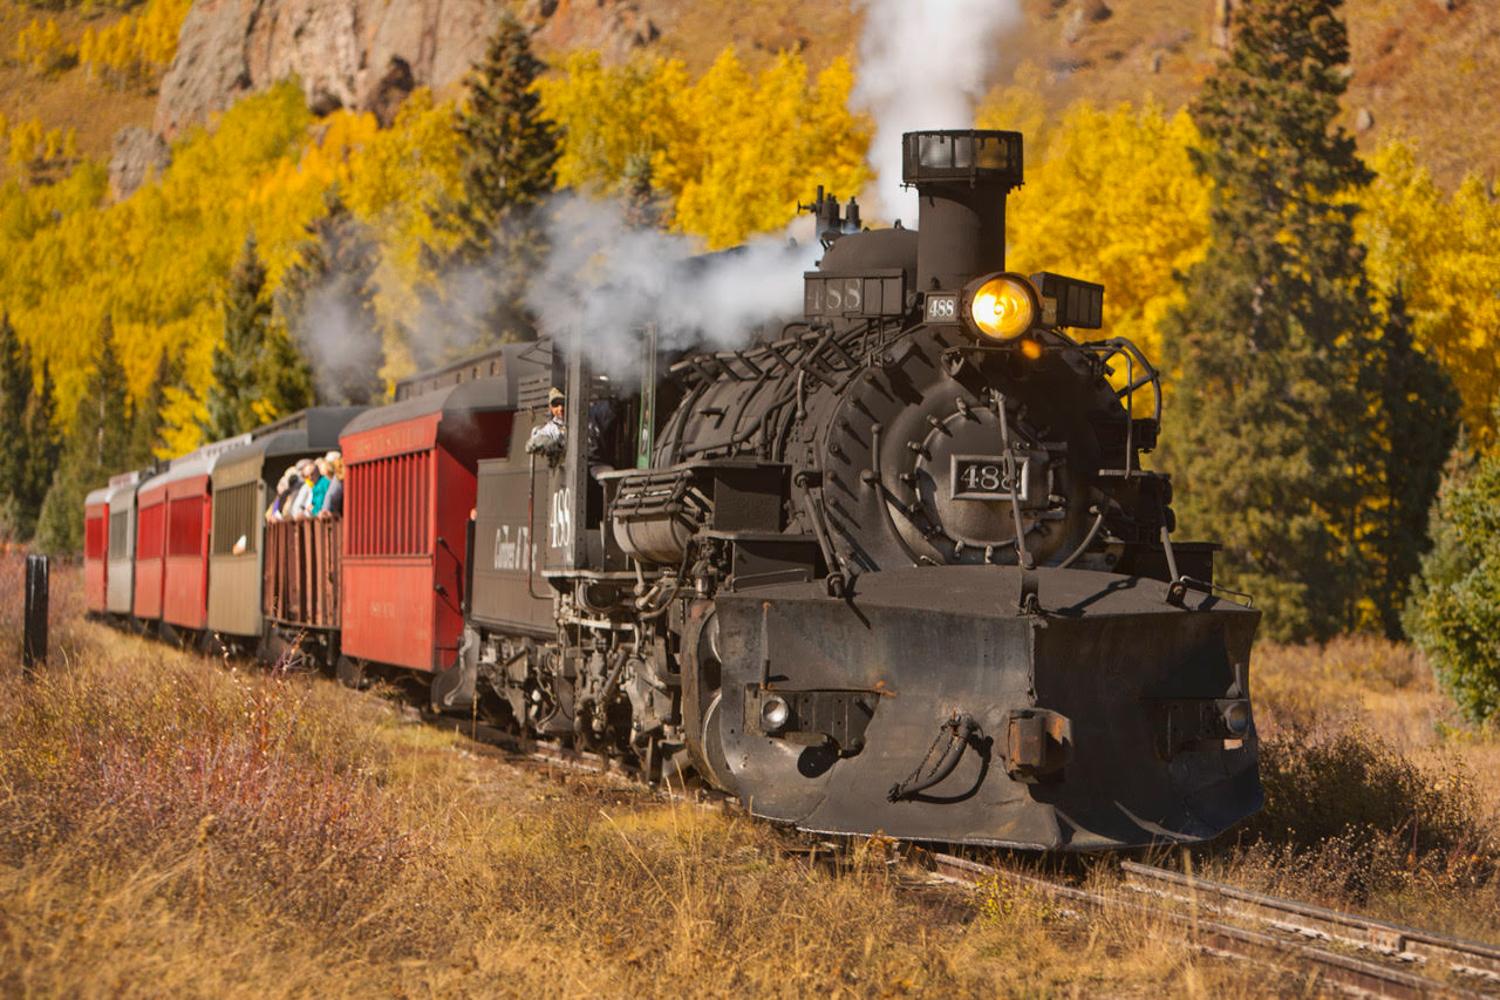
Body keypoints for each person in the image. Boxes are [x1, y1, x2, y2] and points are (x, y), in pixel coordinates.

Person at [525, 387, 567, 461]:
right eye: (556, 404)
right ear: (550, 407)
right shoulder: (551, 428)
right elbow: (531, 444)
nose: (561, 408)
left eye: (564, 403)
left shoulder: (589, 418)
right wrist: (549, 443)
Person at [320, 451, 344, 519]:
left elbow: (331, 494)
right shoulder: (336, 476)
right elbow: (331, 494)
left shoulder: (339, 475)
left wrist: (325, 509)